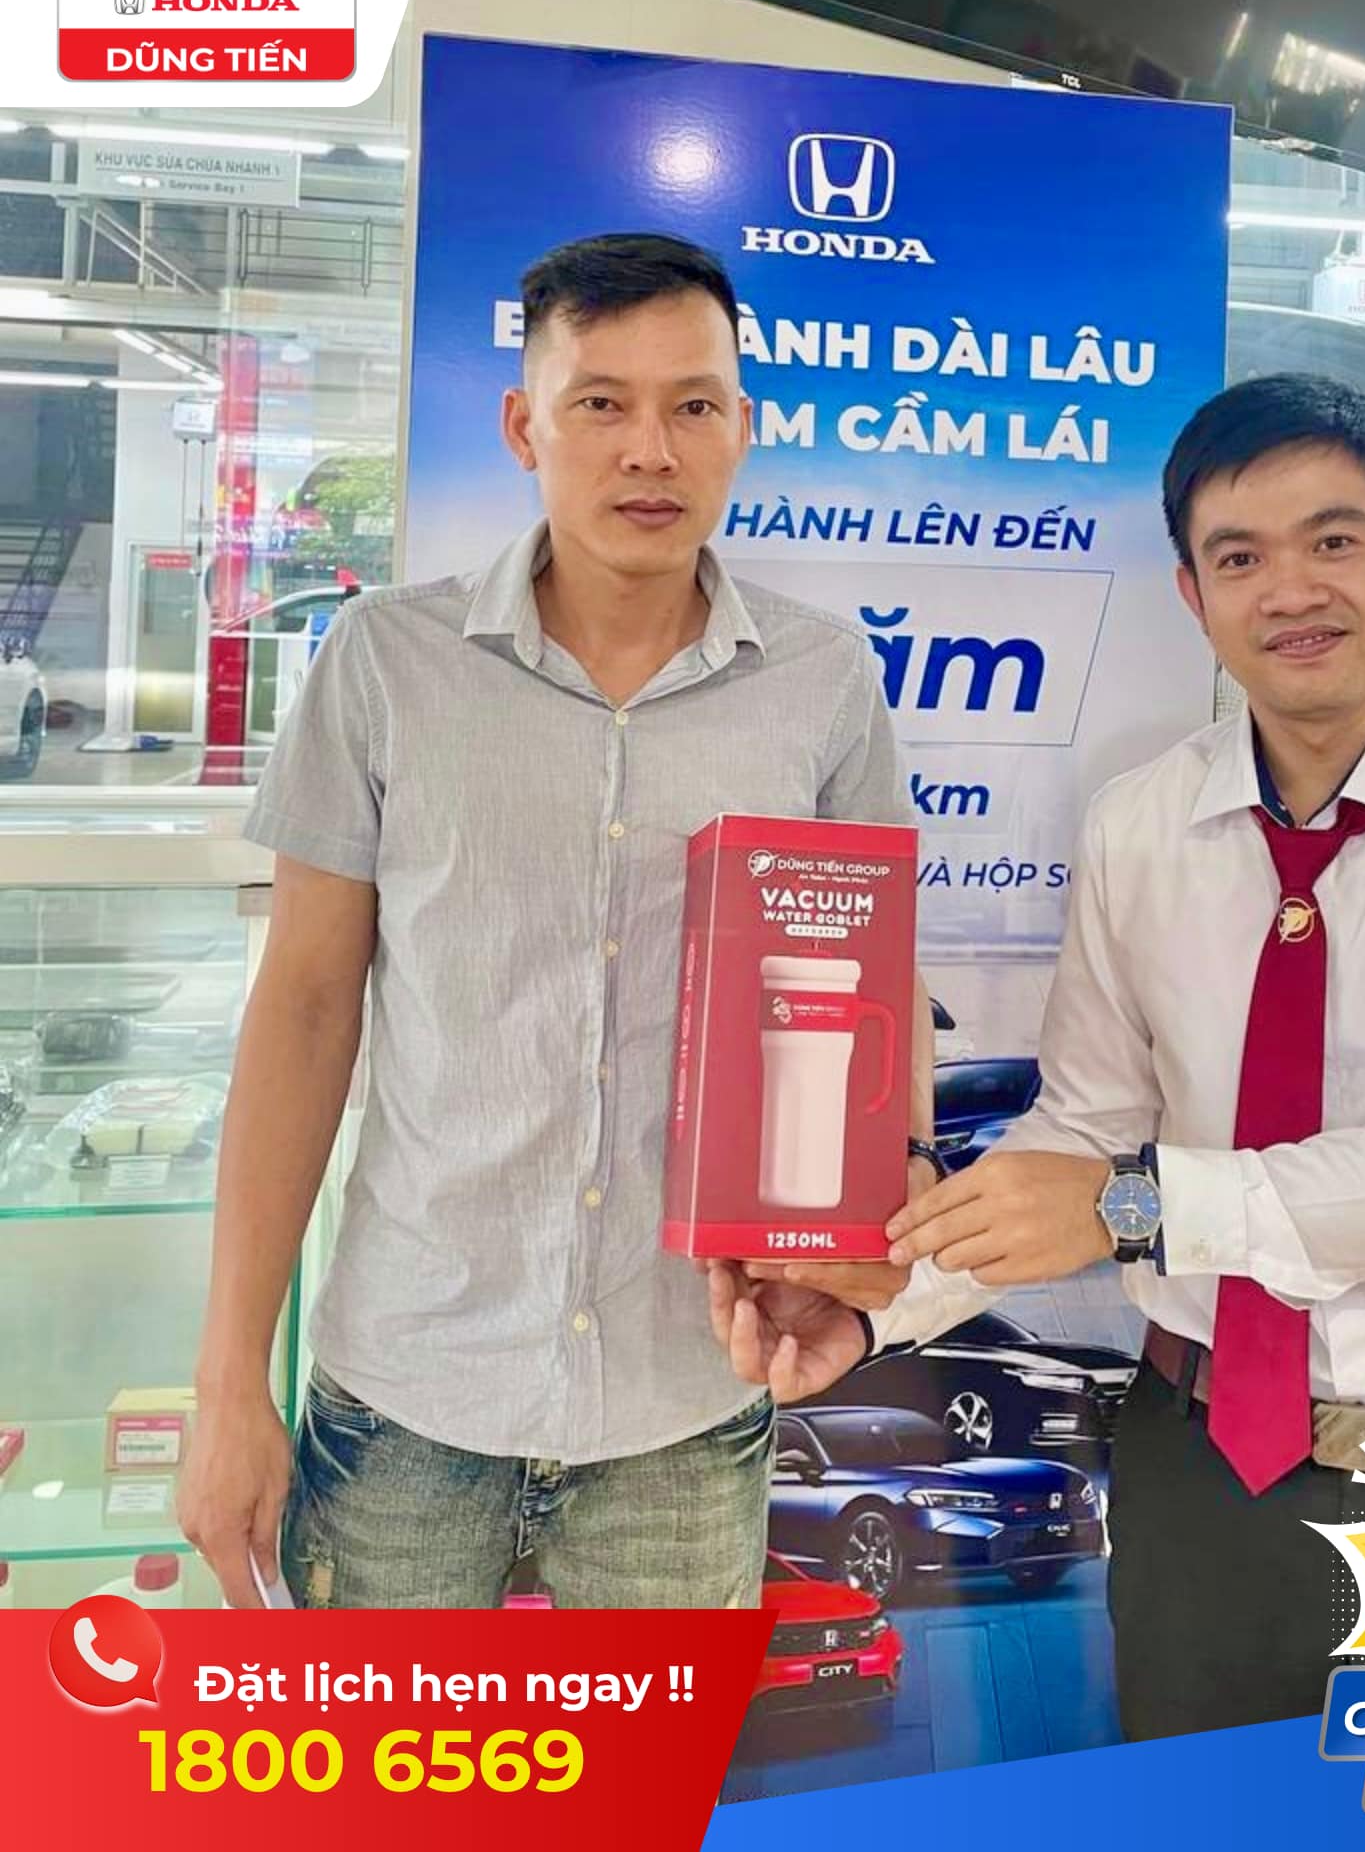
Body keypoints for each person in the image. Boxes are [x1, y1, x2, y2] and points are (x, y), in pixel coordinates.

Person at [726, 374, 1365, 1735]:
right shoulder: (1140, 822)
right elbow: (1079, 1137)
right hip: (1197, 1469)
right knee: (1188, 1809)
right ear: (1194, 596)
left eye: (1334, 541)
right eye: (1240, 558)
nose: (1292, 590)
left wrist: (1139, 1206)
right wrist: (872, 1309)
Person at [179, 232, 926, 1609]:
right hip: (408, 1396)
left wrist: (870, 1235)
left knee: (656, 1760)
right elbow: (303, 1014)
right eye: (601, 403)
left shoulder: (823, 682)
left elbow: (868, 994)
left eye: (694, 405)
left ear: (744, 429)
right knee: (376, 1763)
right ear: (526, 426)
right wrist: (228, 1382)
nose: (651, 449)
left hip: (685, 1405)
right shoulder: (387, 663)